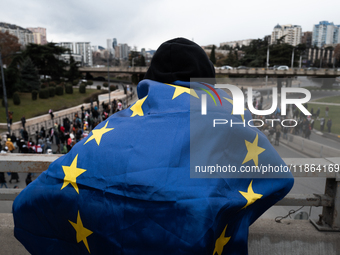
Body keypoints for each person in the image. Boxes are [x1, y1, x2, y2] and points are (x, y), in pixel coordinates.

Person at [13, 38, 293, 254]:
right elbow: (279, 178)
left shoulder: (110, 127)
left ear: (148, 80)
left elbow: (32, 200)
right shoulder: (231, 123)